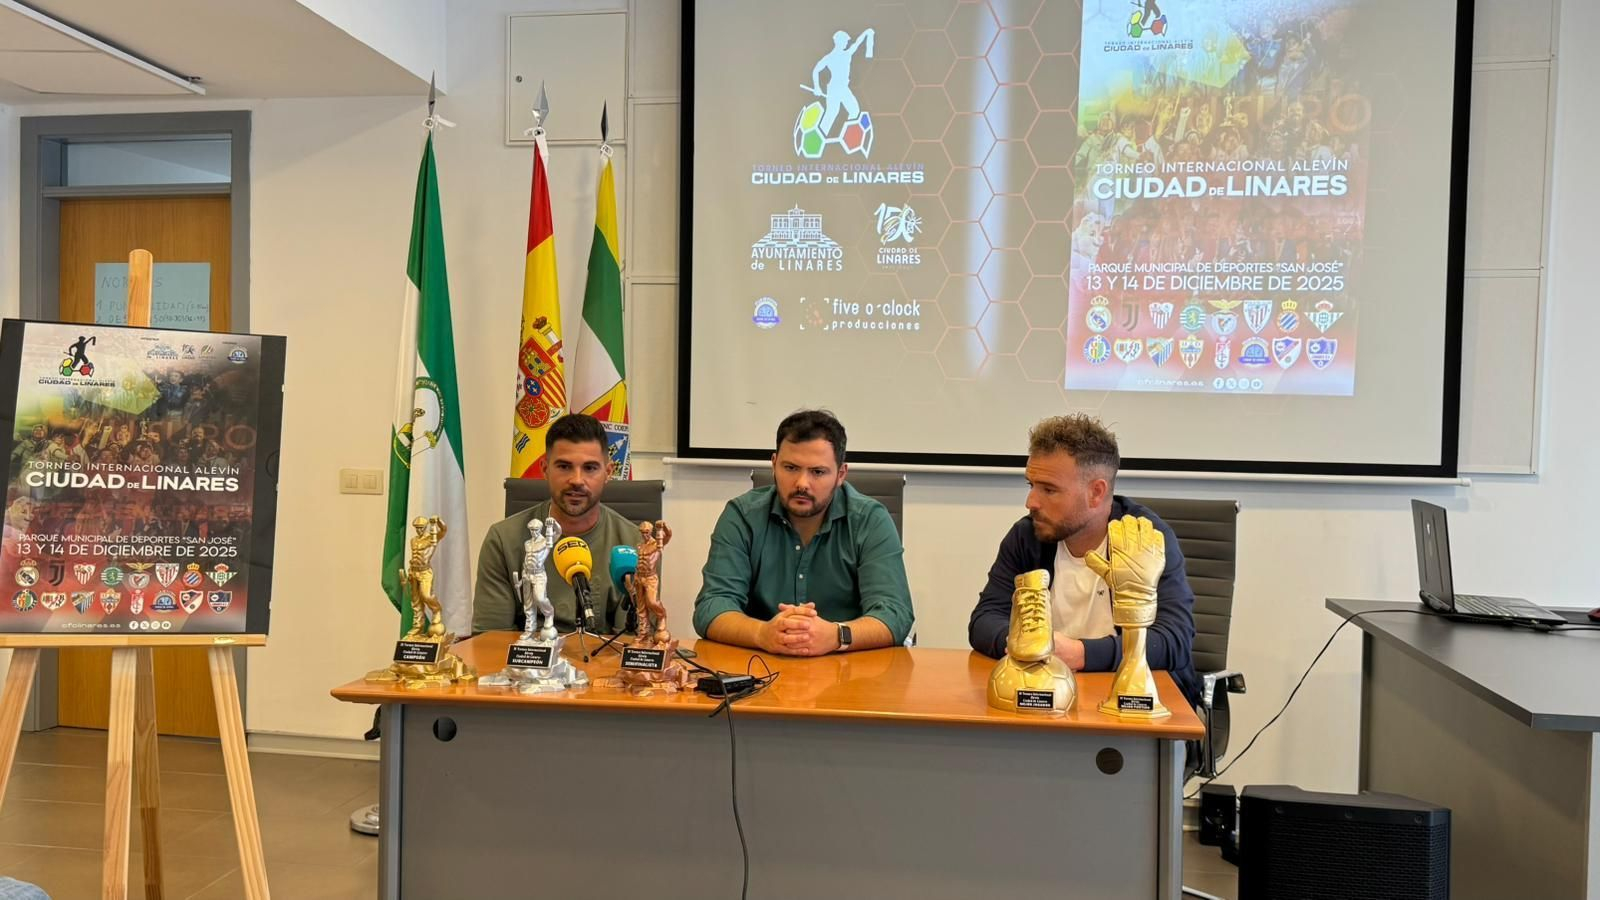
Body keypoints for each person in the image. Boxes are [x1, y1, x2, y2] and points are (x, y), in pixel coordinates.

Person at [967, 414, 1200, 708]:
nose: (1031, 502)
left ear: (1096, 493)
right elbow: (984, 620)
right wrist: (1028, 643)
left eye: (1049, 489)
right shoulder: (1027, 536)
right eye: (1031, 485)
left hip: (1128, 703)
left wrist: (1081, 654)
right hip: (1045, 697)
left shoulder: (1147, 539)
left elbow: (1174, 640)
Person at [693, 410, 914, 656]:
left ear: (841, 474)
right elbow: (712, 606)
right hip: (761, 664)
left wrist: (836, 636)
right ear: (774, 464)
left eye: (817, 472)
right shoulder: (742, 516)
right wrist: (762, 633)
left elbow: (895, 614)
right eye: (790, 468)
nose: (802, 483)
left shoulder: (870, 520)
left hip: (848, 667)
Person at [472, 414, 639, 635]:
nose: (577, 480)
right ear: (545, 469)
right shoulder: (503, 540)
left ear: (608, 473)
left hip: (604, 657)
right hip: (526, 657)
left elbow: (631, 643)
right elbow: (490, 639)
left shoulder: (635, 544)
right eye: (564, 466)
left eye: (590, 468)